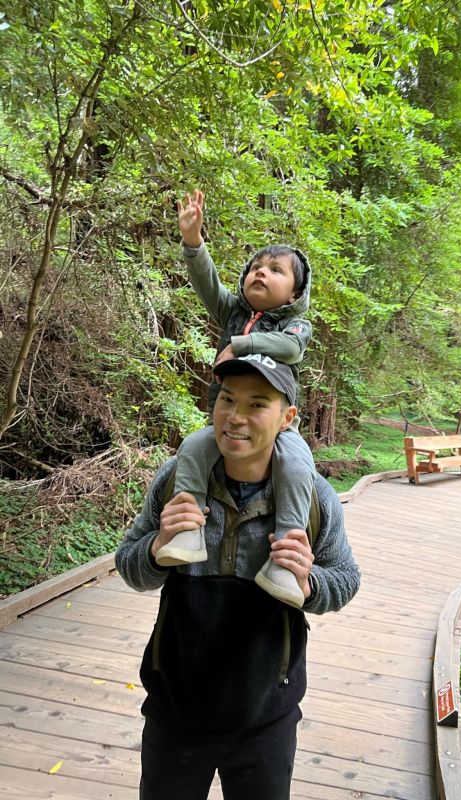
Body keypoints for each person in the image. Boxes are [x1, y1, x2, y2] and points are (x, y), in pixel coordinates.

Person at [115, 356, 360, 800]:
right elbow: (129, 564)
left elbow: (345, 579)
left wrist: (308, 584)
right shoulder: (177, 480)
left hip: (266, 719)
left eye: (256, 404)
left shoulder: (314, 498)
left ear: (287, 418)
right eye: (227, 400)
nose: (235, 417)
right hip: (176, 710)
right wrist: (157, 547)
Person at [156, 188, 314, 610]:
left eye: (276, 270)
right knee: (192, 445)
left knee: (297, 466)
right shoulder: (234, 313)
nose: (260, 273)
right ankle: (189, 528)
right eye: (255, 268)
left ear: (295, 293)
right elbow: (206, 282)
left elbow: (291, 350)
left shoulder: (297, 326)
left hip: (277, 433)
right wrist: (193, 241)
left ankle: (286, 550)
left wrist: (241, 346)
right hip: (223, 424)